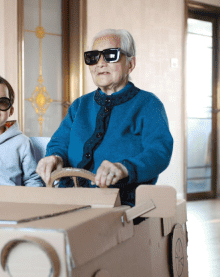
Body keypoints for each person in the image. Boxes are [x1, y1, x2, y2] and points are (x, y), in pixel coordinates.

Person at [36, 29, 173, 206]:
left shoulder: (148, 104)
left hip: (121, 203)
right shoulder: (79, 105)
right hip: (68, 199)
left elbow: (159, 152)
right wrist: (54, 157)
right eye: (93, 57)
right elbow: (60, 142)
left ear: (130, 64)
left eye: (110, 55)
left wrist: (124, 168)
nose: (100, 63)